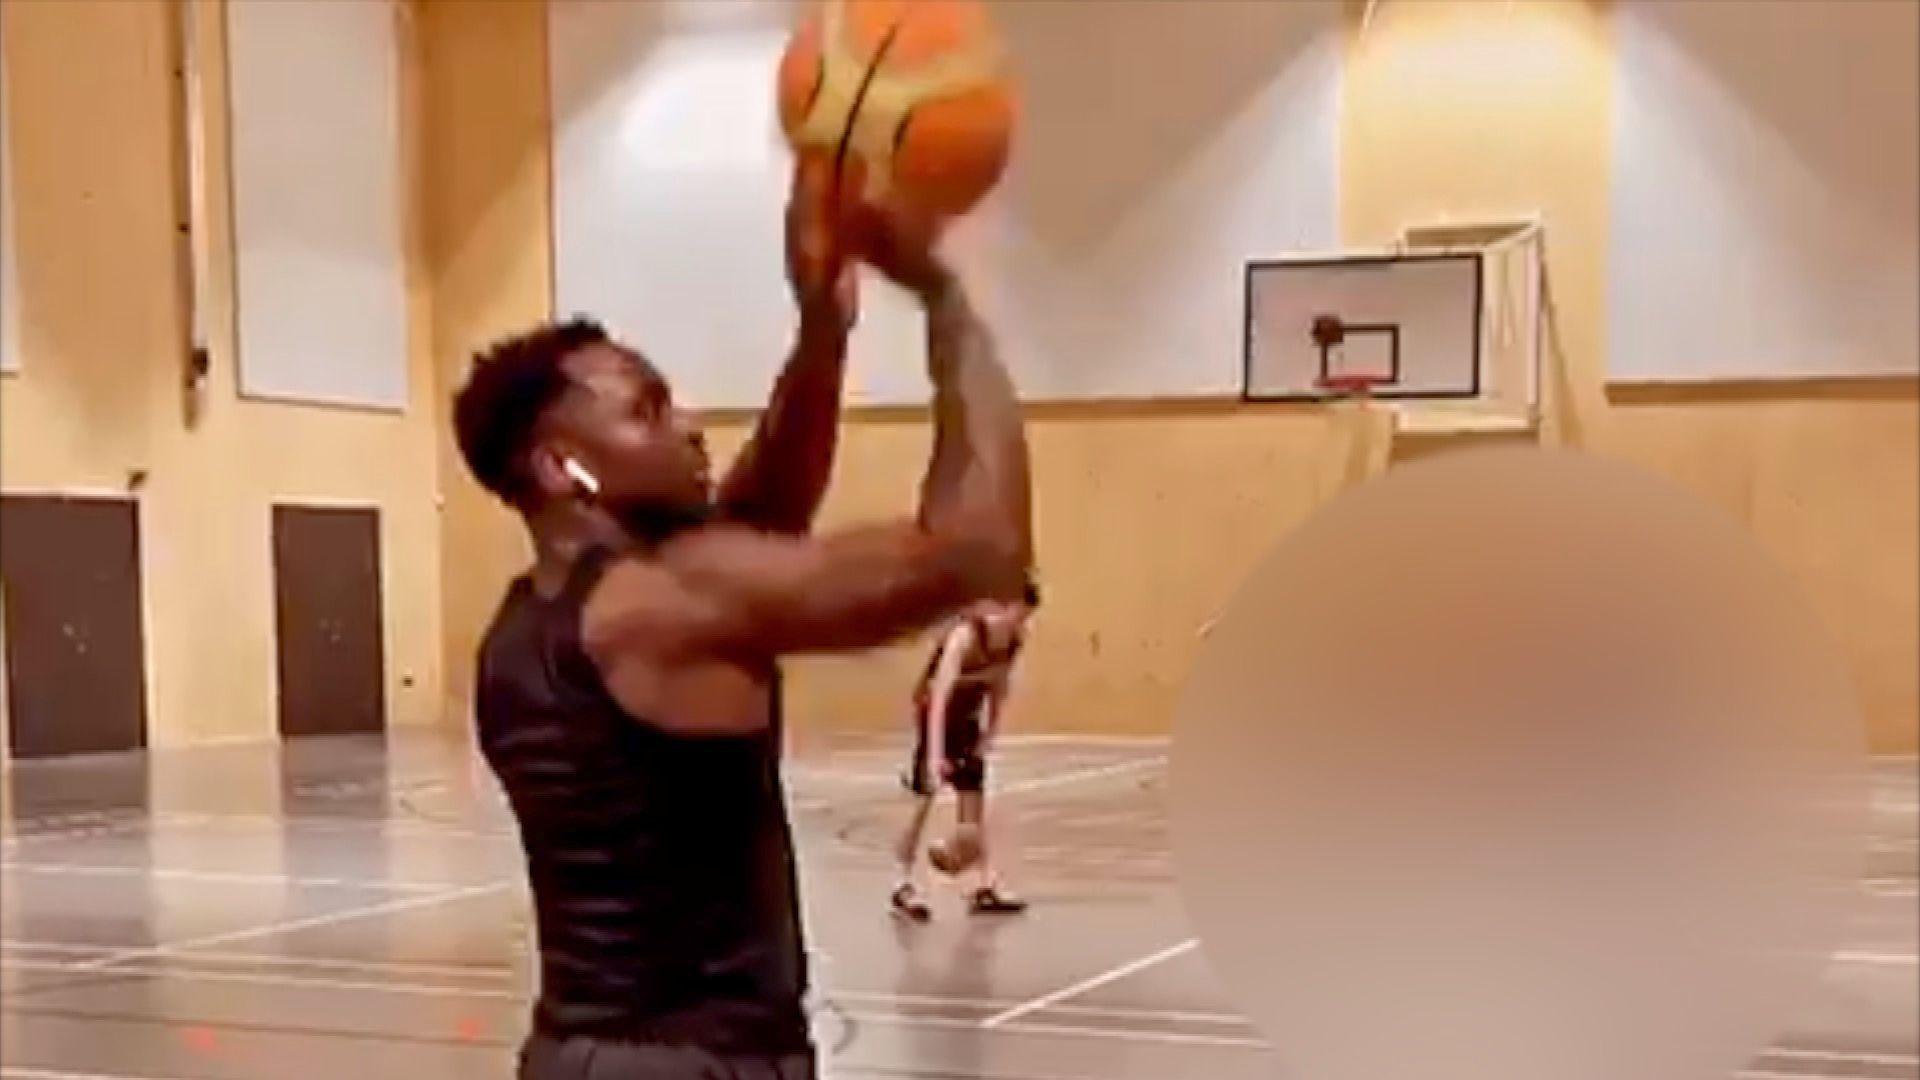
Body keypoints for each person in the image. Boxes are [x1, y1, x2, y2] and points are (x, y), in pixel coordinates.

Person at [452, 174, 1032, 1080]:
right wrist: (950, 307)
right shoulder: (660, 605)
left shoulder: (538, 619)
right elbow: (980, 545)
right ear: (563, 467)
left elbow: (760, 518)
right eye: (646, 410)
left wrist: (823, 332)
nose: (688, 424)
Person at [890, 583, 1038, 921]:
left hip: (969, 712)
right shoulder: (965, 636)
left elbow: (1000, 687)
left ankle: (982, 885)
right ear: (1004, 605)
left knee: (973, 796)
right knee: (923, 799)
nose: (1022, 622)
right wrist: (934, 754)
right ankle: (902, 884)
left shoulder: (1013, 641)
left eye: (1027, 617)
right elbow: (939, 697)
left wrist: (990, 734)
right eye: (1018, 613)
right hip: (937, 713)